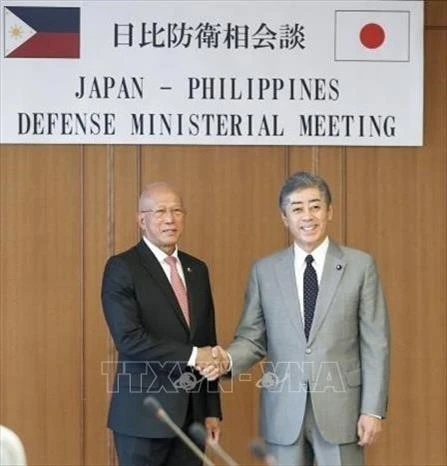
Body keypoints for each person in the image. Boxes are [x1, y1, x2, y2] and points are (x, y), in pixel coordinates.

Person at [201, 171, 390, 466]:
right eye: (297, 208)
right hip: (283, 413)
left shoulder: (360, 266)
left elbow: (375, 344)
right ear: (284, 217)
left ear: (329, 211)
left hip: (342, 411)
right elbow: (252, 338)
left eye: (315, 206)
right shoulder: (265, 271)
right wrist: (226, 359)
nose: (307, 216)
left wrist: (372, 410)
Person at [102, 182, 222, 466]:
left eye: (176, 211)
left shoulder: (197, 269)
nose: (170, 219)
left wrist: (211, 409)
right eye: (160, 212)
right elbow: (129, 339)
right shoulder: (122, 267)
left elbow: (207, 339)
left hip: (192, 420)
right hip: (143, 418)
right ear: (141, 220)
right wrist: (194, 355)